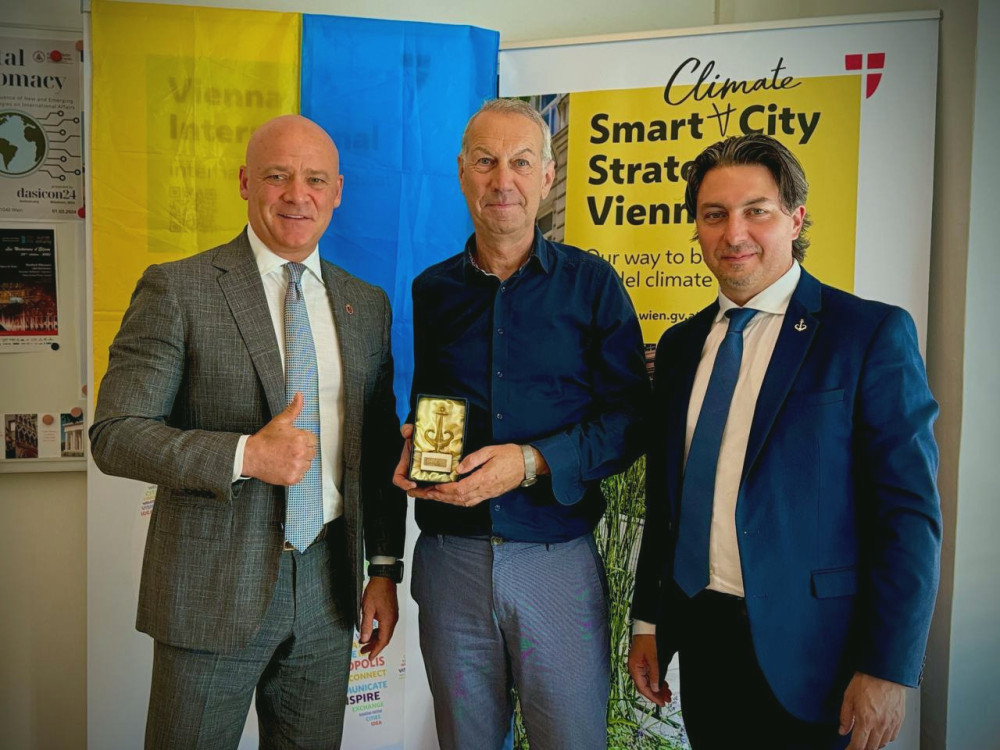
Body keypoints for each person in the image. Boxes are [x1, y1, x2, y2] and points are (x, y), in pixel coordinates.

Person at [90, 114, 406, 749]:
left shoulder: (366, 304)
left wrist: (383, 568)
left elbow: (374, 453)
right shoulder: (178, 288)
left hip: (329, 588)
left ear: (338, 191)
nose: (297, 195)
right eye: (277, 176)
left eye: (315, 179)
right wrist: (245, 455)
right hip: (210, 589)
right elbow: (115, 433)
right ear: (243, 182)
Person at [628, 133, 941, 750]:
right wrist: (649, 619)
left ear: (795, 220)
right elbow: (667, 503)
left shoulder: (868, 334)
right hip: (705, 640)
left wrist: (889, 667)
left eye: (757, 211)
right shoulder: (682, 346)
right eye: (714, 214)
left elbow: (908, 515)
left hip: (820, 656)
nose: (734, 233)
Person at [392, 98, 649, 749]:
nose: (502, 180)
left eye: (521, 162)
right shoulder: (431, 291)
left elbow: (630, 422)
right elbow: (430, 404)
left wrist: (532, 462)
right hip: (450, 562)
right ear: (462, 172)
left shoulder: (593, 285)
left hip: (556, 562)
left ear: (547, 175)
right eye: (485, 161)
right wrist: (413, 444)